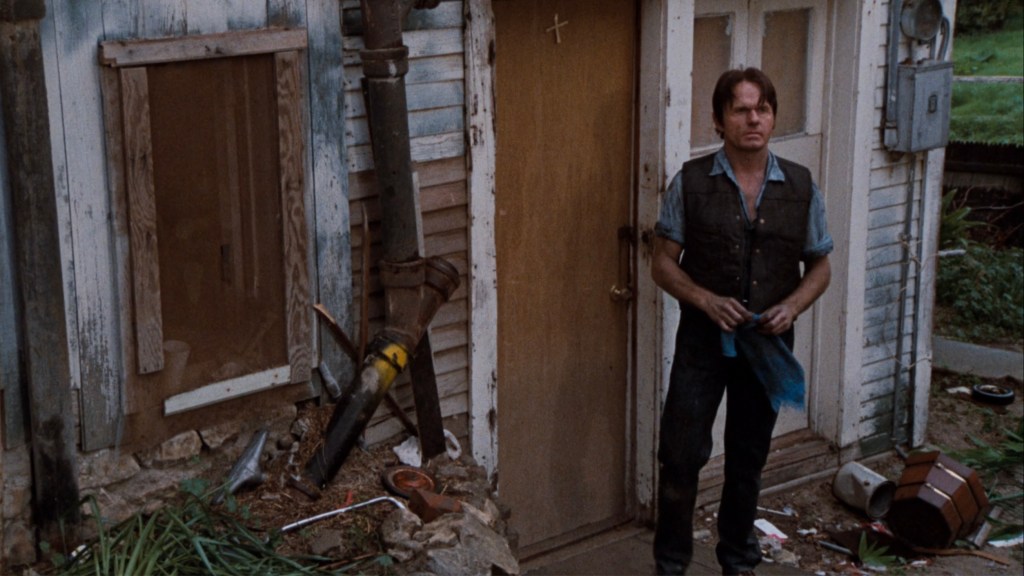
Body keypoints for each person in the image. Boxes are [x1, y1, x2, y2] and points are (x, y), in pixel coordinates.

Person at [650, 67, 833, 575]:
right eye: (741, 109)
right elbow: (661, 263)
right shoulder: (690, 182)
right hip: (701, 342)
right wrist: (705, 300)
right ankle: (671, 564)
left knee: (747, 459)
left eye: (763, 109)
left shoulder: (800, 186)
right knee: (681, 457)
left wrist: (792, 306)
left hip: (766, 345)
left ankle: (738, 560)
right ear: (719, 120)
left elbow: (821, 266)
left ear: (772, 118)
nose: (753, 119)